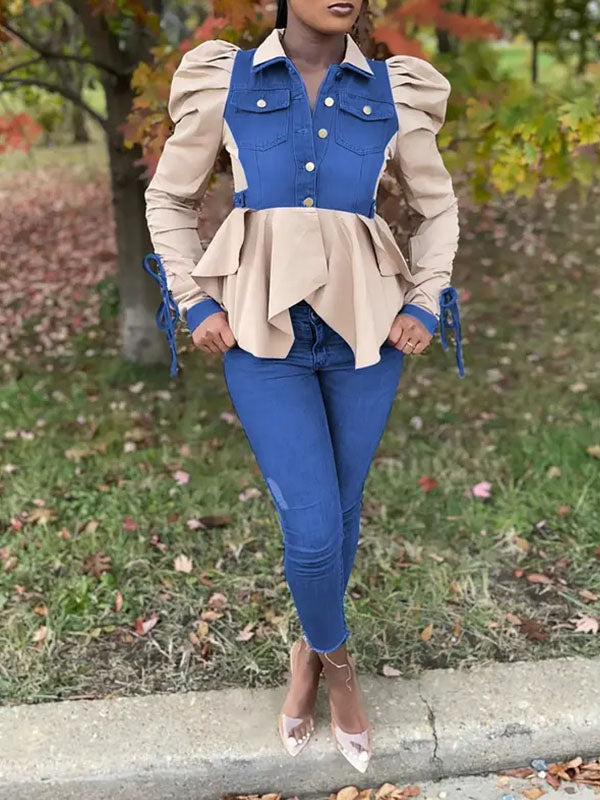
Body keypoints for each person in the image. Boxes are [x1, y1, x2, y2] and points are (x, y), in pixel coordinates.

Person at [144, 0, 462, 774]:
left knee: (342, 515)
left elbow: (438, 206)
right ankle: (335, 666)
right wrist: (194, 300)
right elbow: (168, 198)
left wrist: (426, 298)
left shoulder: (393, 87)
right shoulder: (226, 79)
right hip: (261, 334)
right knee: (313, 530)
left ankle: (308, 647)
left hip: (367, 336)